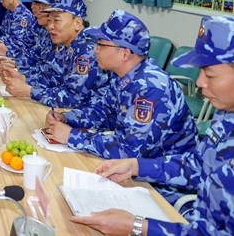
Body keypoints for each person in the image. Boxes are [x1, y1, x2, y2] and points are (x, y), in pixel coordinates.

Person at [71, 15, 234, 236]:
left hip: (174, 202)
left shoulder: (152, 86)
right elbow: (197, 165)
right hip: (193, 215)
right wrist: (136, 166)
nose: (199, 83)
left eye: (211, 75)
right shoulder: (226, 112)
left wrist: (138, 226)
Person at [44, 9, 197, 204]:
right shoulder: (123, 76)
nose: (95, 50)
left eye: (101, 44)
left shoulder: (151, 88)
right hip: (129, 171)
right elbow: (103, 113)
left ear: (125, 53)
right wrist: (67, 118)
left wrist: (71, 136)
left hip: (161, 185)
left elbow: (130, 151)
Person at [0, 0, 110, 108]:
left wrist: (29, 91)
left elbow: (72, 97)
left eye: (56, 20)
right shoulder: (65, 44)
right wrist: (23, 78)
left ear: (77, 23)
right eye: (49, 20)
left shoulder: (87, 50)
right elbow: (53, 78)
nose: (50, 26)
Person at [0, 0, 55, 76]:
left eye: (39, 4)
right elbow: (32, 52)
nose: (33, 7)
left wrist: (18, 70)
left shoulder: (57, 35)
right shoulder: (39, 26)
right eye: (33, 2)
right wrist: (14, 62)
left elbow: (48, 72)